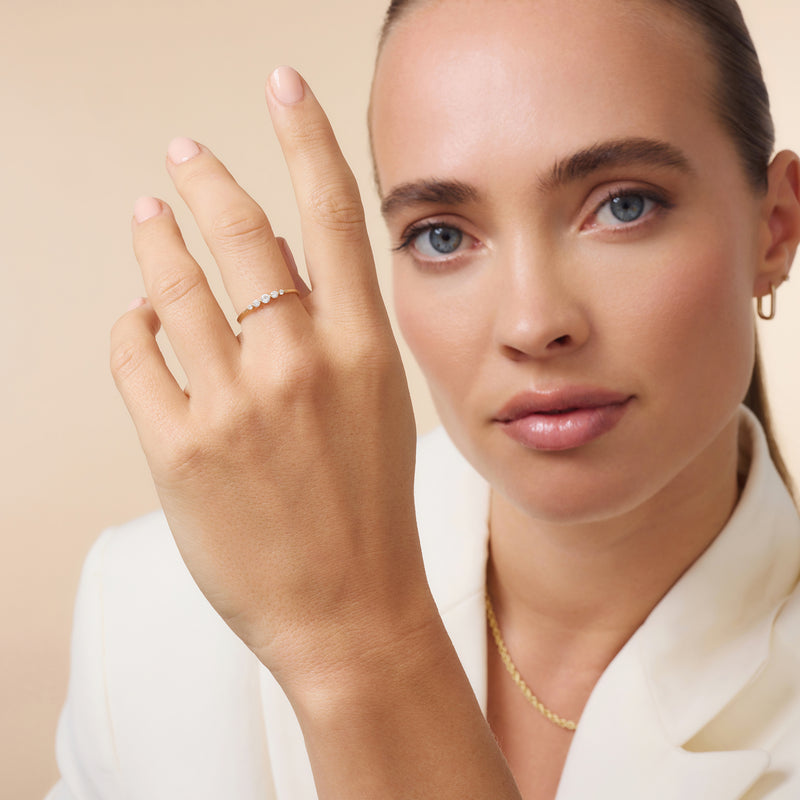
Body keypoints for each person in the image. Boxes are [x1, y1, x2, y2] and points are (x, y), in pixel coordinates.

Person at [47, 0, 800, 798]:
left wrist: (360, 649)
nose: (533, 322)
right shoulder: (148, 611)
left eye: (623, 205)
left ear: (775, 229)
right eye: (442, 235)